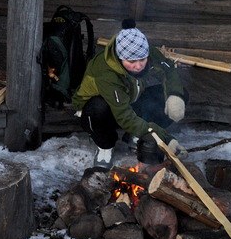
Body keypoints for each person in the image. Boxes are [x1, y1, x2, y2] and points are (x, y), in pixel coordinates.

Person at [72, 23, 187, 170]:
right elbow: (124, 116)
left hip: (129, 99)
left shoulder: (145, 52)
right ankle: (105, 146)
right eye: (132, 62)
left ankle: (137, 134)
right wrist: (166, 138)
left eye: (142, 60)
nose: (139, 66)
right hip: (101, 110)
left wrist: (174, 95)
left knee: (180, 95)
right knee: (97, 108)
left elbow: (168, 69)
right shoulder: (106, 72)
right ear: (120, 59)